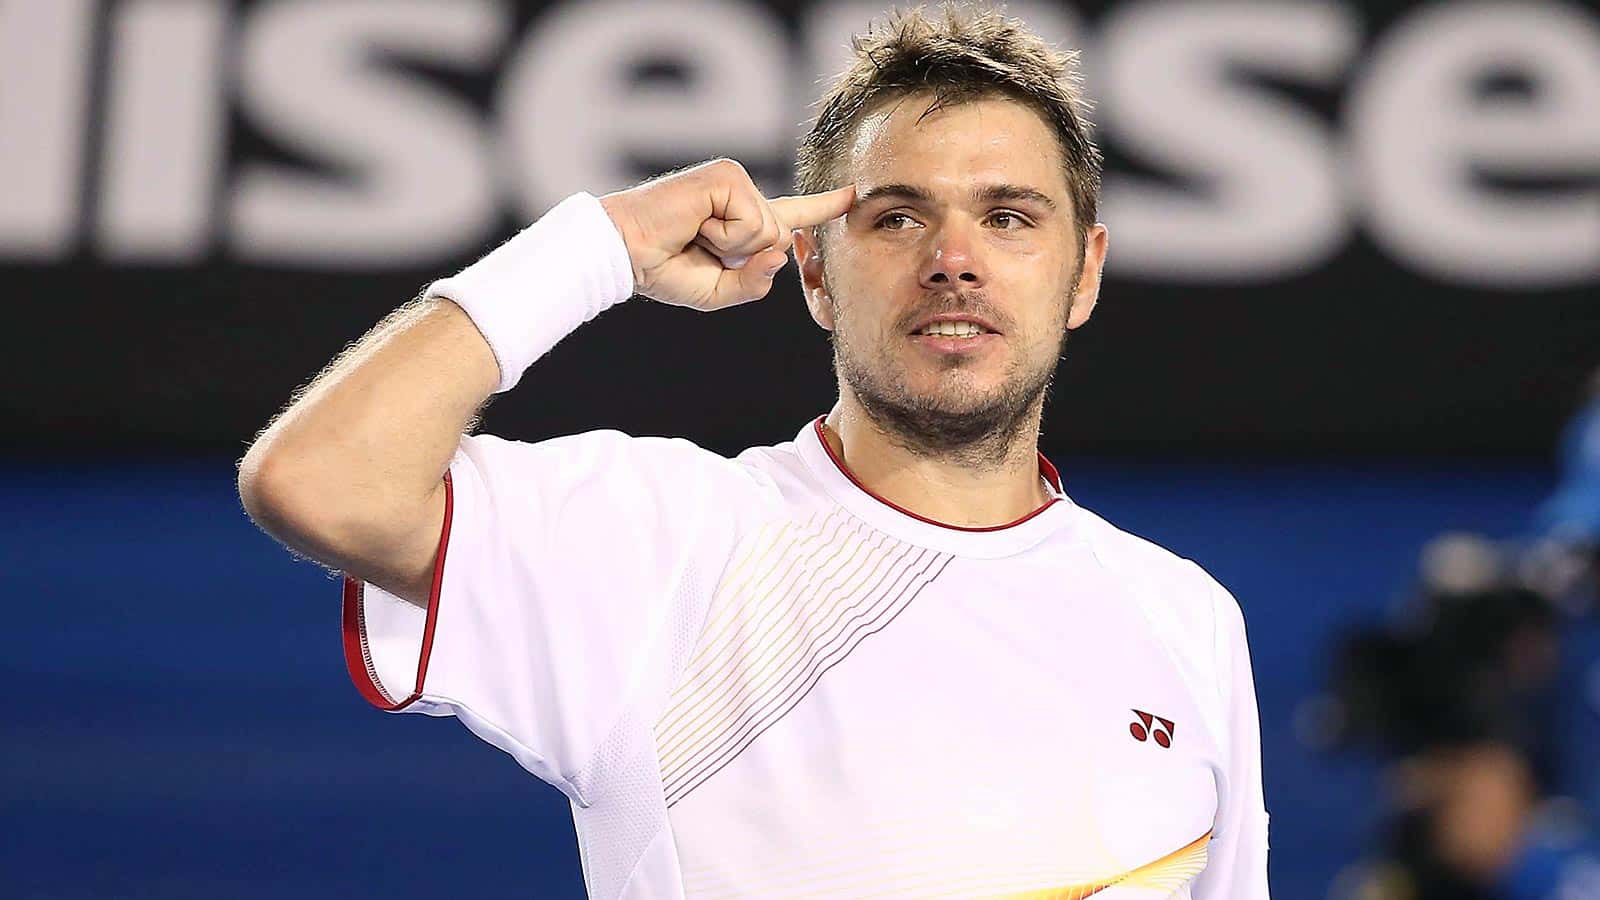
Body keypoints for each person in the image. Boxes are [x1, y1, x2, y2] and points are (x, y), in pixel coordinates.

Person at [238, 5, 1269, 897]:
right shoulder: (659, 542)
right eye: (896, 218)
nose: (953, 261)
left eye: (1007, 217)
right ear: (813, 272)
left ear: (1083, 272)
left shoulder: (1186, 620)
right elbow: (321, 481)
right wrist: (597, 249)